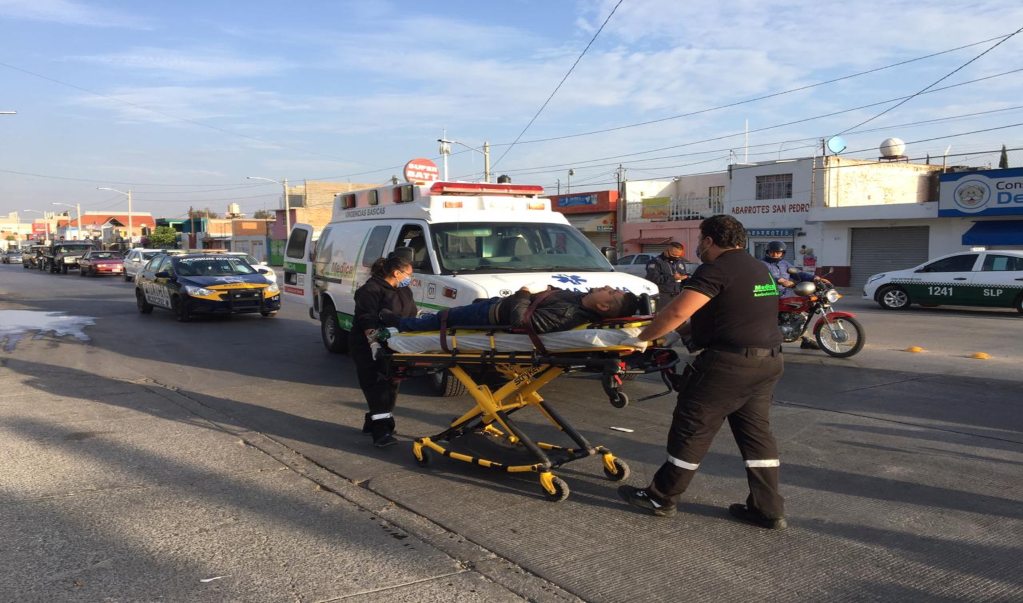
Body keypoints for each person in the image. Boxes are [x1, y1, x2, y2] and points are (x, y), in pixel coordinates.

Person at [617, 215, 788, 530]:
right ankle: (768, 508)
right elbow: (727, 315)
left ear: (709, 240)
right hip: (767, 362)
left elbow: (679, 309)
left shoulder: (716, 268)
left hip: (729, 366)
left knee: (692, 429)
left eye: (700, 240)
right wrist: (679, 333)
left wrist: (640, 339)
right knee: (757, 437)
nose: (697, 247)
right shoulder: (756, 268)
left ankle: (661, 496)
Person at [350, 252, 418, 447]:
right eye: (408, 274)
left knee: (392, 386)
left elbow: (409, 313)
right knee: (376, 387)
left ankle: (373, 422)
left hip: (395, 344)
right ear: (397, 273)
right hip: (367, 345)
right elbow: (366, 319)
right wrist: (374, 344)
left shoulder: (404, 291)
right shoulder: (369, 291)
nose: (410, 278)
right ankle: (381, 433)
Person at [384, 285, 639, 334]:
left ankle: (398, 324)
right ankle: (404, 323)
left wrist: (524, 294)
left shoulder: (569, 314)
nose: (607, 286)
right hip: (494, 305)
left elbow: (521, 321)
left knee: (444, 319)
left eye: (612, 292)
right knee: (445, 317)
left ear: (604, 306)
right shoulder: (579, 300)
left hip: (494, 315)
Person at [762, 241, 829, 350]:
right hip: (769, 294)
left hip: (786, 293)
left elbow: (798, 273)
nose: (775, 255)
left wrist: (815, 278)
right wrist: (779, 280)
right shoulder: (762, 264)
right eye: (772, 252)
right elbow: (761, 276)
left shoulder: (784, 264)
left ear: (782, 253)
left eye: (778, 253)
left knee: (805, 308)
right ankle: (773, 340)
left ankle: (804, 337)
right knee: (772, 318)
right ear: (767, 252)